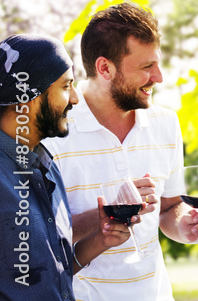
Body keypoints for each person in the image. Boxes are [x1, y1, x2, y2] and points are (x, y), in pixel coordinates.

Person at [43, 3, 198, 300]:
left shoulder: (166, 123)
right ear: (105, 68)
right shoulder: (54, 132)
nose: (159, 77)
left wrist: (185, 224)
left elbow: (168, 208)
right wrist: (109, 211)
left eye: (157, 64)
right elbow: (43, 234)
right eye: (146, 67)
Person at [0, 34, 128, 300]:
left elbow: (47, 274)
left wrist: (99, 240)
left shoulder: (46, 166)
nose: (75, 99)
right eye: (65, 86)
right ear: (29, 96)